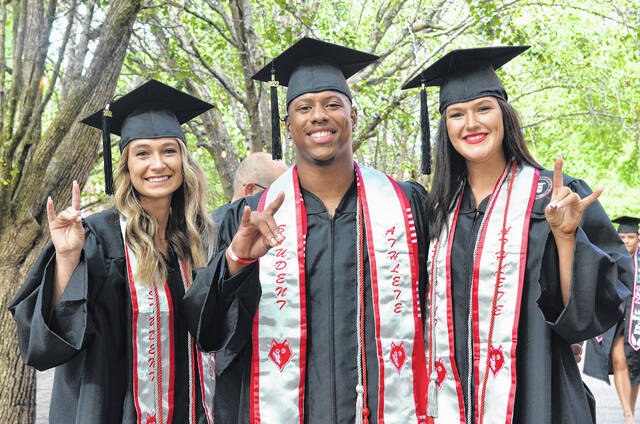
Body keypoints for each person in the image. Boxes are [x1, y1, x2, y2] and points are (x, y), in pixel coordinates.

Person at [183, 37, 430, 423]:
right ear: (288, 125)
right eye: (304, 107)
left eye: (333, 104)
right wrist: (236, 261)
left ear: (354, 117)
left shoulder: (407, 206)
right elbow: (205, 330)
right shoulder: (247, 218)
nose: (319, 116)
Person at [401, 46, 632, 423]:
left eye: (484, 109)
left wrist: (567, 238)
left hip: (540, 397)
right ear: (445, 127)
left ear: (505, 116)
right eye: (457, 114)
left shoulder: (553, 198)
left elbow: (589, 315)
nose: (471, 123)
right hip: (450, 404)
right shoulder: (437, 213)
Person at [9, 79, 217, 423]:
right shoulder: (97, 237)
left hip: (188, 408)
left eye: (169, 150)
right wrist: (66, 257)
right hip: (111, 409)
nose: (158, 164)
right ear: (125, 166)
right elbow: (50, 338)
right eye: (142, 153)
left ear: (184, 160)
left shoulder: (197, 239)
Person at [585, 216, 640, 424]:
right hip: (615, 317)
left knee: (634, 365)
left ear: (638, 238)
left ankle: (630, 409)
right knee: (620, 361)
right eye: (622, 236)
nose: (626, 241)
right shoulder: (611, 256)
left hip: (635, 317)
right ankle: (627, 413)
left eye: (630, 237)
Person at [211, 152, 288, 227]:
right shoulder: (220, 231)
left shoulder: (213, 222)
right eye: (276, 195)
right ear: (251, 191)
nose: (281, 203)